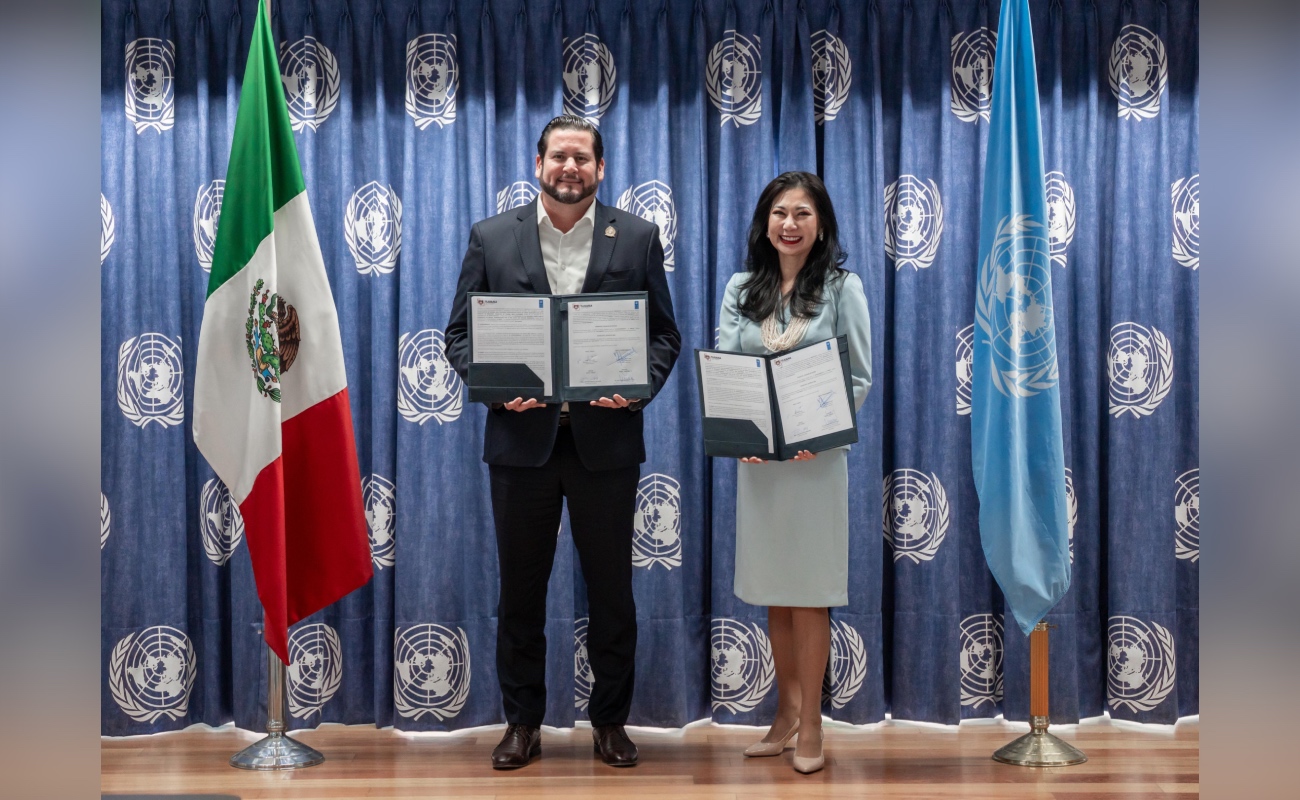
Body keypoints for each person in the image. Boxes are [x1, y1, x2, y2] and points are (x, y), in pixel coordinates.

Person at [445, 115, 681, 770]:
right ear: (538, 163)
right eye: (559, 156)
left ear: (601, 169)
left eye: (583, 157)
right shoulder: (492, 237)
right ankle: (522, 723)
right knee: (519, 593)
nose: (570, 167)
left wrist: (636, 390)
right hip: (522, 445)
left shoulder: (636, 237)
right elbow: (460, 336)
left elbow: (664, 336)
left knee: (612, 593)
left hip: (606, 445)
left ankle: (610, 722)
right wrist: (493, 387)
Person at [717, 171, 872, 774]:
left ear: (822, 224)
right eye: (780, 213)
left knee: (809, 596)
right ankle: (784, 715)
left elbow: (858, 376)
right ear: (765, 223)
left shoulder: (841, 288)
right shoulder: (739, 289)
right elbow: (729, 369)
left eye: (802, 214)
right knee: (775, 596)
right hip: (760, 466)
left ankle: (813, 725)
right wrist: (741, 435)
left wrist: (815, 431)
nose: (789, 224)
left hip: (815, 464)